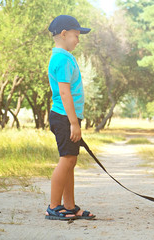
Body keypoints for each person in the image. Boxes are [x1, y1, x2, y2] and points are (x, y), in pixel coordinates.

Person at [45, 15, 95, 220]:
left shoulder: (63, 56)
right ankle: (54, 207)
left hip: (67, 116)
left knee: (70, 161)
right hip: (65, 117)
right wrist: (74, 123)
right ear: (64, 34)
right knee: (66, 160)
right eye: (76, 35)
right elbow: (64, 93)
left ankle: (69, 206)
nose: (78, 40)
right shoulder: (62, 59)